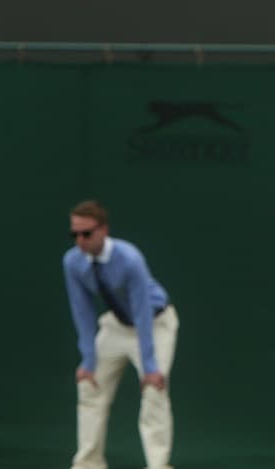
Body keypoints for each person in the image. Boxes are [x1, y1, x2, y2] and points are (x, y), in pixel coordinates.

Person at [63, 200, 179, 469]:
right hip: (116, 326)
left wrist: (150, 366)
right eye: (74, 235)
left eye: (86, 234)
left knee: (154, 390)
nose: (80, 240)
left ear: (103, 230)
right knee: (89, 384)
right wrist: (88, 359)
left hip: (155, 324)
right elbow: (82, 311)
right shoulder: (72, 262)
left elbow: (141, 311)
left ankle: (158, 464)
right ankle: (88, 463)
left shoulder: (130, 258)